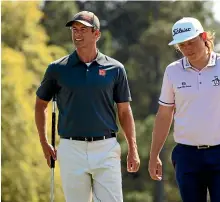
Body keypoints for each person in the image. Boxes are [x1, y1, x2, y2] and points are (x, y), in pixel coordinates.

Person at [34, 11, 140, 202]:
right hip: (70, 148)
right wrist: (43, 142)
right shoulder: (57, 69)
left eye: (83, 29)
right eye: (74, 29)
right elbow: (40, 105)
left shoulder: (115, 69)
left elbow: (124, 111)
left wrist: (133, 148)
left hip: (106, 148)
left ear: (96, 34)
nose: (77, 34)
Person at [148, 17, 220, 202]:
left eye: (191, 42)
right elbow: (164, 115)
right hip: (186, 156)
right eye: (182, 45)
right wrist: (154, 155)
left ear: (204, 37)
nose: (187, 49)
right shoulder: (172, 71)